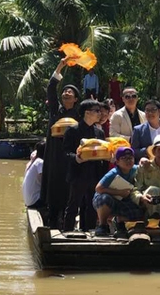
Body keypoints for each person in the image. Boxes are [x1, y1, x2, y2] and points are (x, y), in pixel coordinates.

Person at [41, 58, 80, 228]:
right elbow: (51, 89)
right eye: (64, 91)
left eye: (70, 92)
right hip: (54, 152)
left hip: (69, 153)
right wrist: (60, 66)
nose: (66, 93)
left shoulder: (79, 114)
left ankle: (66, 216)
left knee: (68, 182)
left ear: (76, 99)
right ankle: (52, 215)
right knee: (53, 181)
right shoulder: (55, 110)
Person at [62, 99, 109, 231]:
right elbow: (65, 153)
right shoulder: (72, 130)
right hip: (78, 173)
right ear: (87, 113)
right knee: (73, 205)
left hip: (94, 174)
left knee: (92, 205)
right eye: (97, 111)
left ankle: (89, 231)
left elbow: (103, 154)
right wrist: (76, 158)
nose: (100, 114)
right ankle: (68, 232)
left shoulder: (99, 132)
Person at [93, 147, 144, 237]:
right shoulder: (113, 173)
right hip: (103, 200)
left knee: (138, 210)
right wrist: (119, 192)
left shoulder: (137, 170)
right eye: (124, 158)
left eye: (130, 158)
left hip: (123, 200)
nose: (128, 161)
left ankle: (119, 222)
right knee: (105, 199)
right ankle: (102, 225)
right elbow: (98, 189)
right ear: (117, 161)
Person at [23, 140, 46, 208]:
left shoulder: (32, 162)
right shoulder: (40, 162)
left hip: (29, 201)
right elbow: (45, 182)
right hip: (34, 201)